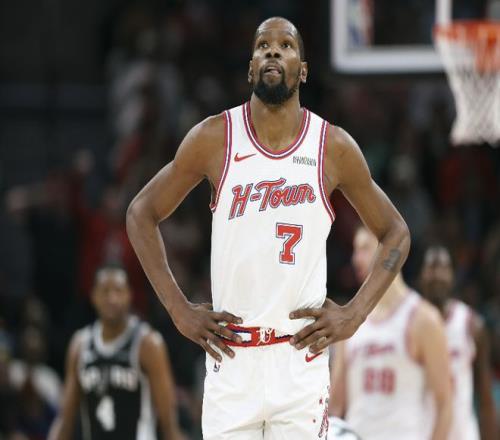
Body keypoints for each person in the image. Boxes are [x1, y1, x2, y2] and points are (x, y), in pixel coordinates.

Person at [126, 16, 410, 439]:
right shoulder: (215, 138)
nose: (273, 50)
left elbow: (396, 233)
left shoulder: (331, 147)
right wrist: (178, 310)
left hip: (299, 361)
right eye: (262, 45)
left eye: (286, 45)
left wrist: (354, 315)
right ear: (250, 68)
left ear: (303, 70)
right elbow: (140, 213)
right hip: (232, 361)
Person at [329, 226, 452, 440]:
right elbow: (335, 406)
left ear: (388, 249)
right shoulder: (348, 321)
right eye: (355, 250)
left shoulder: (423, 319)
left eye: (364, 249)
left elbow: (444, 405)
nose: (355, 259)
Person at [48, 264, 183, 440]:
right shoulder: (80, 345)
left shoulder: (148, 344)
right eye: (105, 291)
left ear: (129, 295)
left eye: (118, 291)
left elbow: (169, 422)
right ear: (94, 296)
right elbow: (65, 419)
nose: (112, 298)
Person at [420, 246, 497, 440]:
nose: (437, 275)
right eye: (432, 267)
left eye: (443, 268)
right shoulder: (409, 323)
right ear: (421, 275)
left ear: (452, 276)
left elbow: (485, 398)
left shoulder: (472, 325)